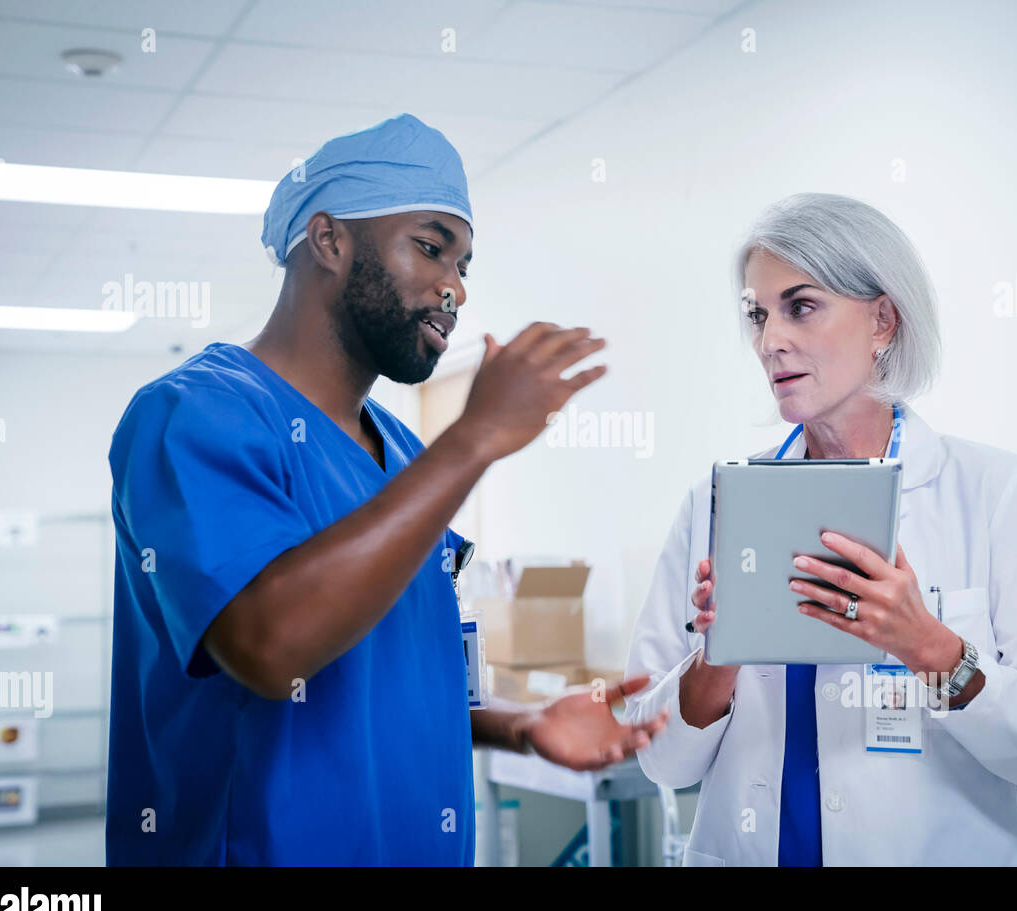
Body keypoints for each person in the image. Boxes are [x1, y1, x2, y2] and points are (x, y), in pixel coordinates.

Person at [105, 114, 666, 866]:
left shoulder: (402, 454)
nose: (455, 286)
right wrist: (473, 441)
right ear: (329, 241)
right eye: (431, 247)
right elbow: (271, 647)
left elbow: (386, 672)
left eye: (465, 263)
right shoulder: (192, 416)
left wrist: (517, 722)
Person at [624, 193, 1017, 866]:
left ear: (882, 320)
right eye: (758, 315)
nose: (769, 340)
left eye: (801, 305)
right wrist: (716, 660)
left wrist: (927, 644)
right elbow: (660, 763)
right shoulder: (713, 504)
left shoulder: (995, 492)